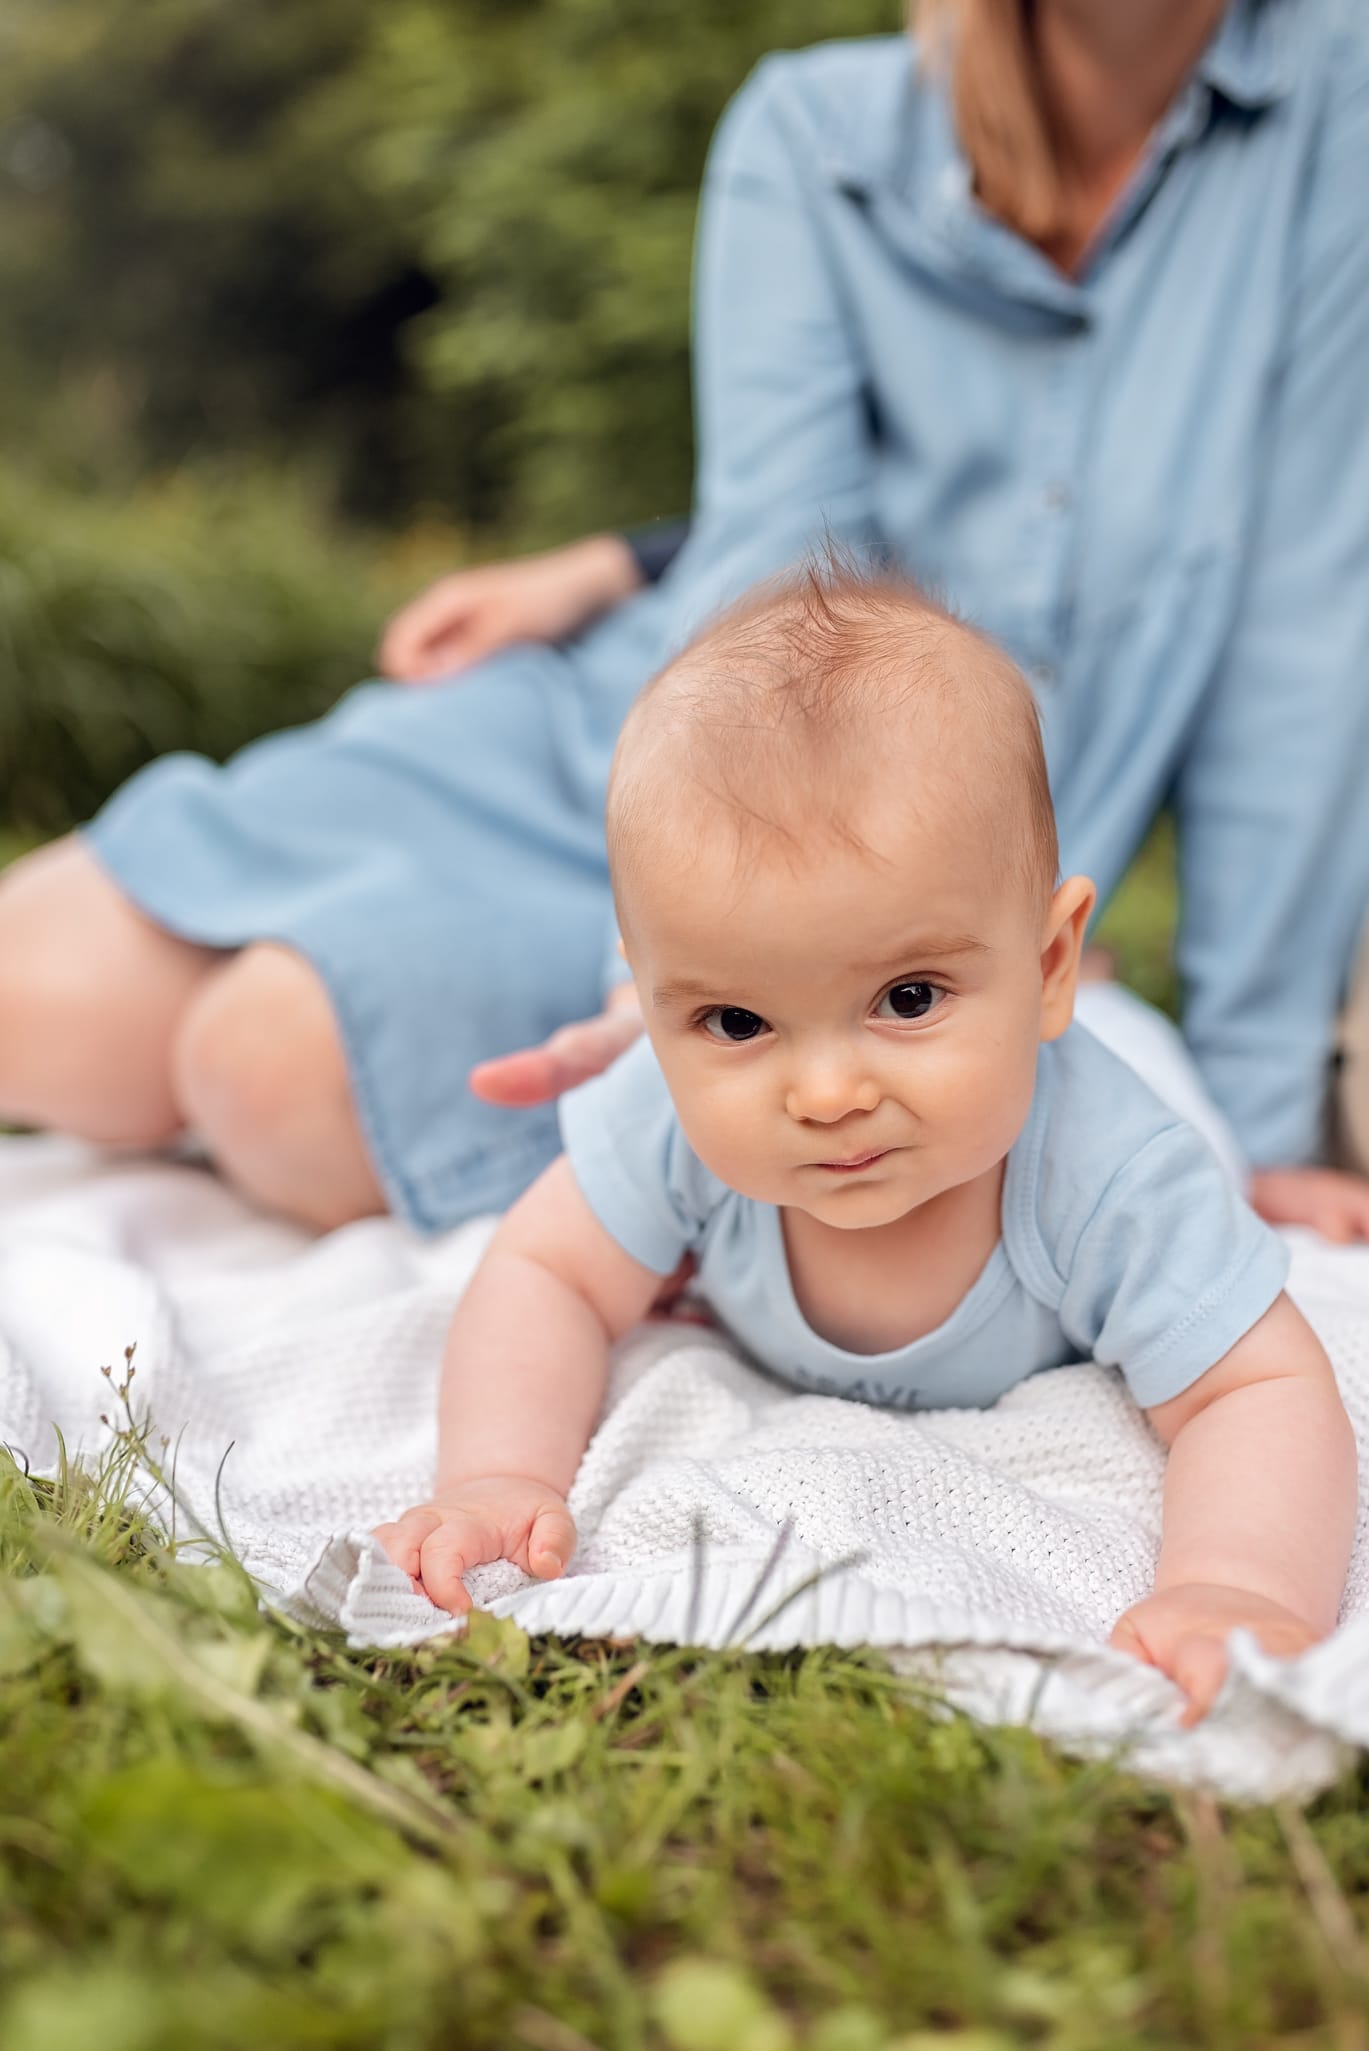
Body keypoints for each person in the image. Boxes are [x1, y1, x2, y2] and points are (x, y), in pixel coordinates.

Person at [1, 0, 1367, 1242]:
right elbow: (771, 545)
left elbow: (1301, 641)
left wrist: (1247, 1122)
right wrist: (652, 936)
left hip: (870, 901)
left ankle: (420, 1083)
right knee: (32, 979)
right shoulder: (810, 128)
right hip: (643, 743)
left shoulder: (1336, 102)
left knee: (268, 1068)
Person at [374, 566, 1356, 1721]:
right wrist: (499, 1472)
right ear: (650, 1003)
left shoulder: (1114, 1172)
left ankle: (1194, 1101)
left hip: (1127, 1062)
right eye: (736, 1020)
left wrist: (1234, 1583)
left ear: (1043, 966)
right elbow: (545, 1272)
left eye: (908, 997)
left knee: (1211, 1147)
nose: (828, 1092)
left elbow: (1255, 1385)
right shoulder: (662, 1112)